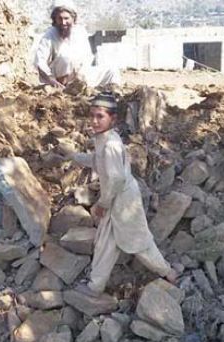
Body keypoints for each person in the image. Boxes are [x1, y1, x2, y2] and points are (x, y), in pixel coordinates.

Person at [72, 93, 177, 294]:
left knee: (137, 240)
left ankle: (168, 272)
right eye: (92, 115)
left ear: (113, 119)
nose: (94, 121)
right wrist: (72, 156)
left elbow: (116, 178)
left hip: (123, 198)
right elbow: (97, 160)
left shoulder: (110, 144)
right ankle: (95, 286)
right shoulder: (104, 138)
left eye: (100, 116)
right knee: (105, 242)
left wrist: (102, 203)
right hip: (115, 197)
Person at [33, 0, 121, 89]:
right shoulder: (49, 35)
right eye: (60, 18)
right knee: (66, 58)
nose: (63, 22)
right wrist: (51, 80)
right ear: (55, 19)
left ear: (73, 19)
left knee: (112, 71)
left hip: (81, 78)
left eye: (66, 18)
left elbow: (88, 58)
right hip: (59, 81)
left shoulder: (80, 32)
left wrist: (79, 75)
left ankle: (113, 97)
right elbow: (40, 62)